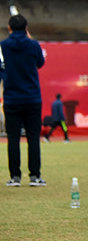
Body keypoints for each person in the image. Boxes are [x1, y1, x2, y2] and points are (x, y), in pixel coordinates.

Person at [1, 14, 46, 187]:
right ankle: (34, 176)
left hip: (11, 98)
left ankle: (15, 177)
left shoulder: (2, 46)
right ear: (26, 28)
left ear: (9, 28)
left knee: (13, 138)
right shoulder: (33, 45)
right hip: (32, 98)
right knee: (33, 138)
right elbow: (40, 63)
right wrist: (30, 39)